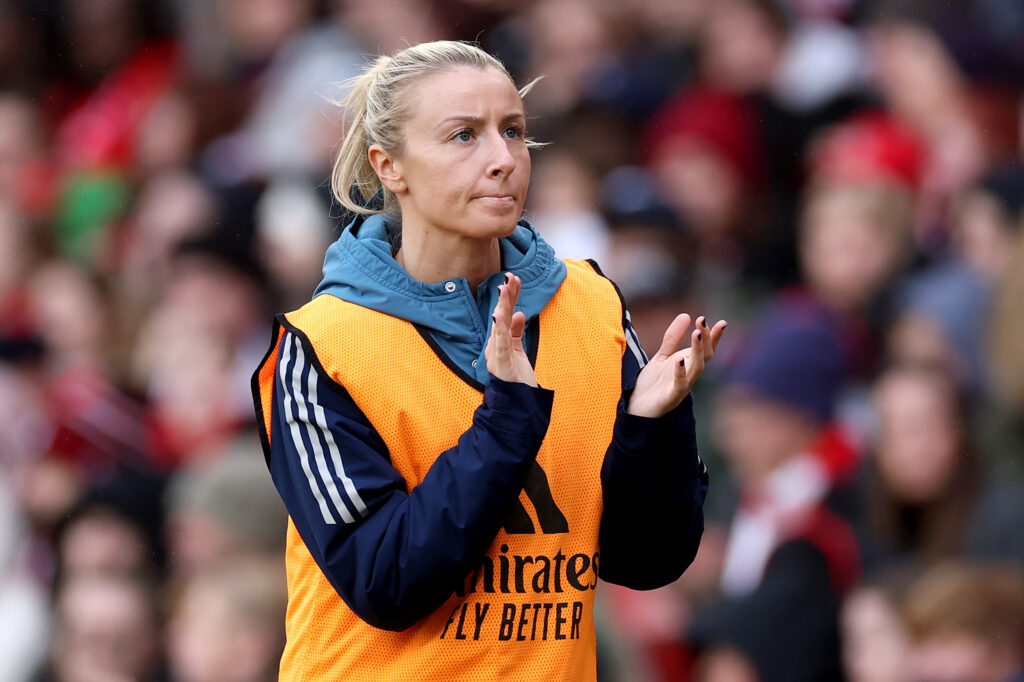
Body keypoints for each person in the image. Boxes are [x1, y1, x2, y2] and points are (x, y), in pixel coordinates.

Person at [251, 40, 722, 681]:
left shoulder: (592, 303)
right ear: (389, 166)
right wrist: (506, 423)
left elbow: (644, 563)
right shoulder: (319, 348)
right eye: (464, 136)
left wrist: (652, 431)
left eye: (514, 132)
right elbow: (386, 580)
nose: (503, 160)